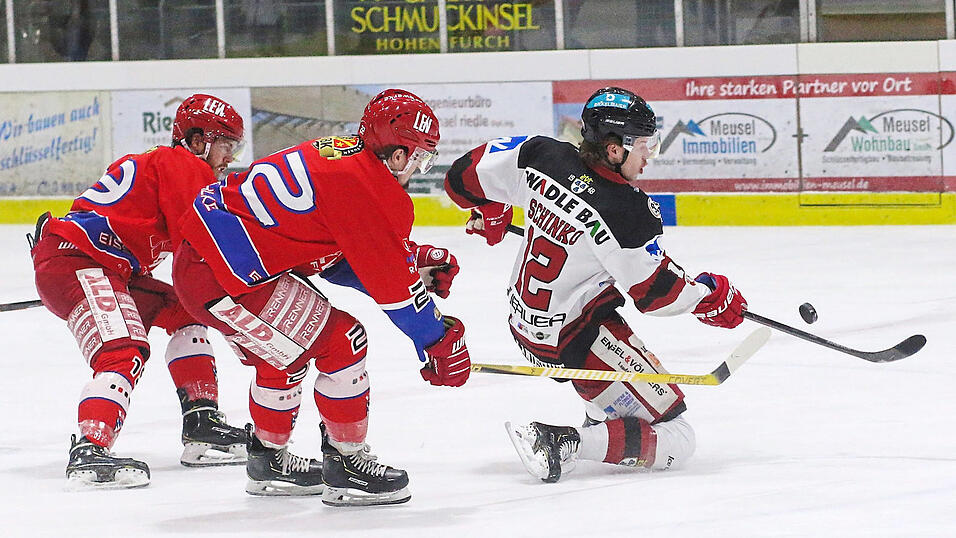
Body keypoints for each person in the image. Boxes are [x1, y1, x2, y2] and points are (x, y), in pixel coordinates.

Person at [171, 88, 471, 506]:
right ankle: (347, 463)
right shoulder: (370, 187)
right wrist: (438, 339)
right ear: (398, 155)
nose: (416, 168)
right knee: (344, 341)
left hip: (213, 262)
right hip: (225, 274)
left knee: (285, 354)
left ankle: (267, 461)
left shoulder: (341, 152)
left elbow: (328, 254)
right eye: (418, 157)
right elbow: (398, 295)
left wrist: (407, 258)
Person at [443, 87, 748, 482]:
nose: (649, 156)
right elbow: (656, 293)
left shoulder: (541, 155)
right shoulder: (626, 211)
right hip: (575, 336)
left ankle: (601, 417)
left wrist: (492, 208)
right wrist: (710, 296)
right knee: (678, 437)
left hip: (524, 324)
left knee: (601, 295)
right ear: (614, 148)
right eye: (643, 145)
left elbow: (459, 179)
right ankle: (562, 443)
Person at [30, 94, 250, 489]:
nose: (228, 157)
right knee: (123, 348)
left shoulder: (164, 163)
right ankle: (89, 448)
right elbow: (200, 244)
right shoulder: (185, 165)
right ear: (198, 141)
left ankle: (202, 423)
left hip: (97, 262)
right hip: (80, 260)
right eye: (225, 145)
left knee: (185, 313)